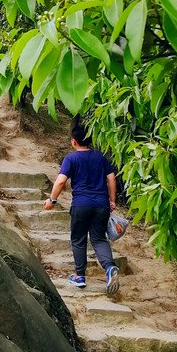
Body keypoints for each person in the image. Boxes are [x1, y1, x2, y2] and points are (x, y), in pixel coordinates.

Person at [44, 121, 120, 295]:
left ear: (73, 141)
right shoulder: (100, 157)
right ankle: (109, 268)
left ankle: (79, 276)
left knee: (78, 239)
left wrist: (52, 200)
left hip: (81, 204)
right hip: (101, 204)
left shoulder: (71, 159)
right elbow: (111, 179)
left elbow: (61, 181)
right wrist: (112, 200)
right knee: (99, 239)